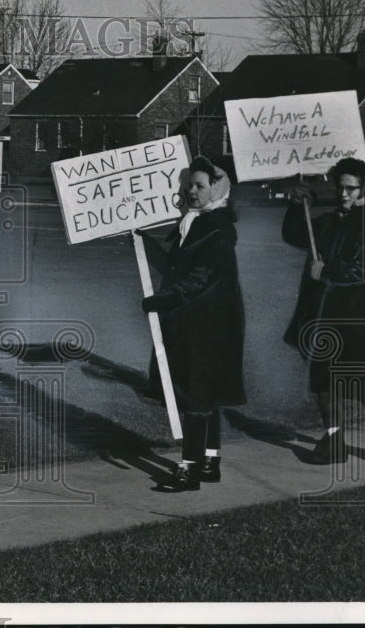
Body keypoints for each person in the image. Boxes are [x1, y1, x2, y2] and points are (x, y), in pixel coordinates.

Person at [139, 156, 246, 492]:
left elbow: (199, 279)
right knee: (206, 393)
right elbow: (176, 267)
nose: (192, 191)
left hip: (208, 324)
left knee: (197, 395)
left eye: (200, 186)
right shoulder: (196, 223)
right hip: (202, 320)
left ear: (217, 188)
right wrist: (143, 243)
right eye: (190, 185)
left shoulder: (215, 228)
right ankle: (210, 460)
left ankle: (188, 469)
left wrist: (160, 301)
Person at [282, 157, 365, 465]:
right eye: (340, 187)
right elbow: (294, 235)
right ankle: (333, 443)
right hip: (323, 314)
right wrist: (297, 204)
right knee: (323, 380)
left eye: (351, 188)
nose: (344, 193)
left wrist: (328, 270)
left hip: (356, 317)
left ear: (363, 189)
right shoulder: (329, 221)